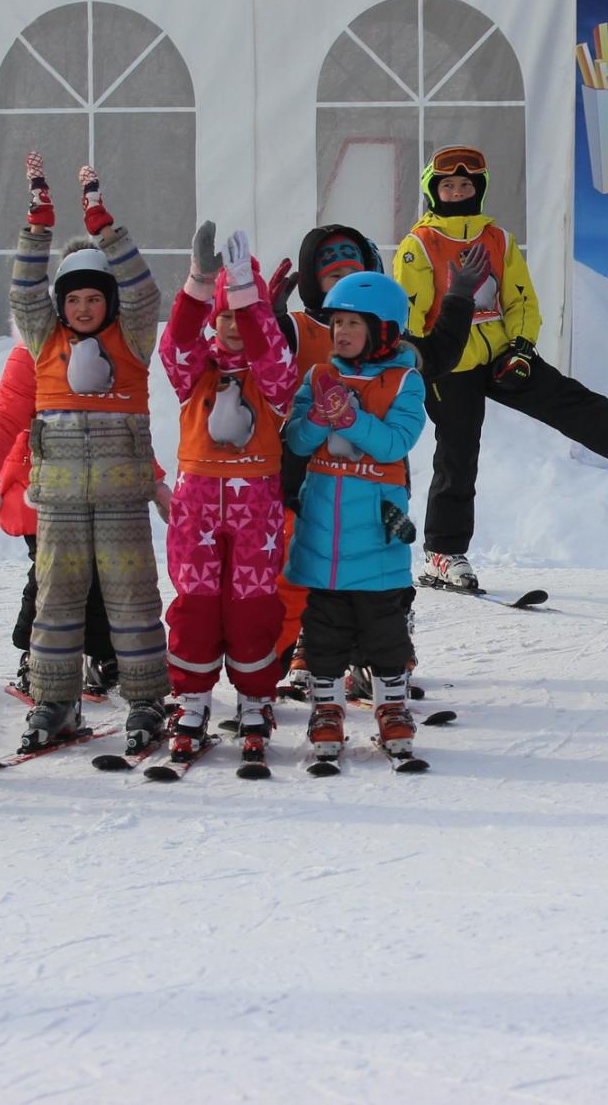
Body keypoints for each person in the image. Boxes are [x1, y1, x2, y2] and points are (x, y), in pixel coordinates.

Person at [395, 145, 608, 592]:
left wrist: (521, 347)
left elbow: (521, 299)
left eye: (466, 185)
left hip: (501, 351)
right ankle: (443, 554)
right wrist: (424, 360)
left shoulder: (497, 239)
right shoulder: (419, 247)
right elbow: (410, 313)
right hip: (449, 360)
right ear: (434, 191)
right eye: (448, 186)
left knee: (558, 393)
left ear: (478, 190)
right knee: (459, 452)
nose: (458, 191)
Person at [265, 224, 487, 693]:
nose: (344, 328)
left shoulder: (397, 350)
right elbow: (264, 359)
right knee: (309, 558)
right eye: (330, 272)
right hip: (311, 475)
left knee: (383, 556)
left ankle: (383, 650)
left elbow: (443, 352)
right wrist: (265, 315)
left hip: (379, 476)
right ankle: (312, 643)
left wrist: (460, 297)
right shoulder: (301, 329)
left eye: (353, 266)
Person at [7, 152, 171, 754]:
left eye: (92, 299)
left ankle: (148, 698)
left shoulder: (131, 338)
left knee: (133, 599)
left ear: (108, 302)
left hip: (123, 498)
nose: (82, 308)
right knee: (56, 600)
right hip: (60, 503)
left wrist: (105, 225)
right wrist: (39, 224)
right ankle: (55, 701)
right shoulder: (44, 339)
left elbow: (145, 290)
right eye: (72, 299)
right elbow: (24, 288)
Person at [159, 222, 301, 769]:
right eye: (226, 317)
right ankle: (191, 702)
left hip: (256, 508)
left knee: (251, 605)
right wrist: (200, 284)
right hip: (196, 505)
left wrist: (246, 293)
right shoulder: (197, 369)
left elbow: (275, 363)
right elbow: (176, 344)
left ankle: (254, 700)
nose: (235, 328)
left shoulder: (271, 375)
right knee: (195, 605)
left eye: (242, 317)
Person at [0, 340, 170, 700]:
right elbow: (4, 414)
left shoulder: (116, 351)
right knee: (53, 576)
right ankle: (37, 658)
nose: (84, 310)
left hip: (102, 485)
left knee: (104, 575)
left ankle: (103, 656)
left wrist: (154, 481)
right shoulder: (34, 351)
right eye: (73, 300)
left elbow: (125, 427)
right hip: (43, 488)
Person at [281, 271, 429, 767]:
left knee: (384, 632)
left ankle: (391, 706)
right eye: (336, 323)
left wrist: (350, 419)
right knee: (323, 631)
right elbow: (297, 442)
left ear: (384, 329)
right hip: (323, 531)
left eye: (352, 323)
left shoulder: (406, 381)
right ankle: (327, 708)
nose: (339, 332)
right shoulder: (319, 377)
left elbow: (394, 444)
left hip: (376, 532)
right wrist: (319, 416)